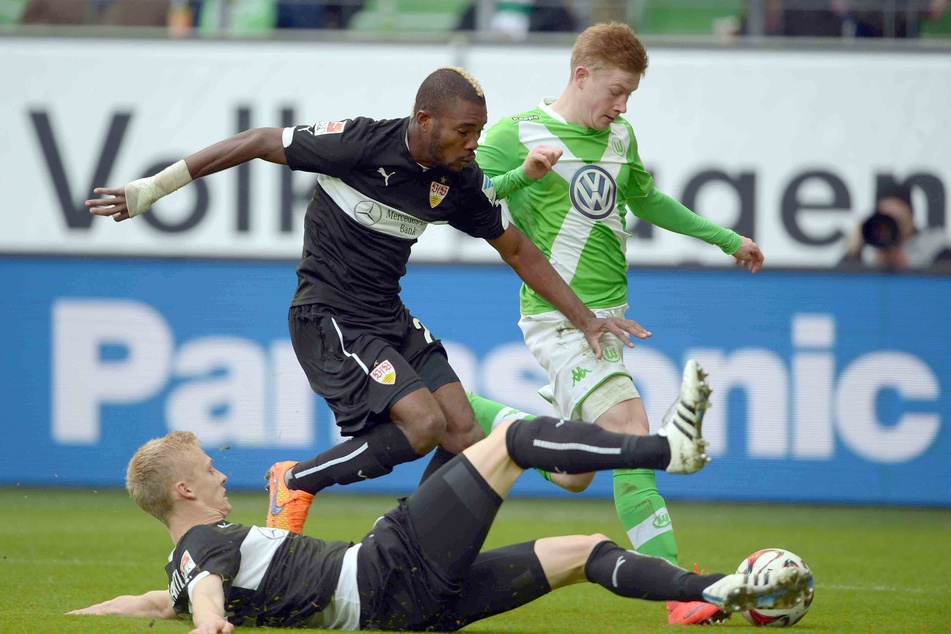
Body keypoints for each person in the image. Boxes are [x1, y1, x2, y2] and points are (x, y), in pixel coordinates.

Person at [85, 66, 648, 537]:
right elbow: (258, 141)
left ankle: (406, 544)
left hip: (386, 315)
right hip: (328, 315)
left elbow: (520, 251)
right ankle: (297, 480)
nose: (474, 143)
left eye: (478, 131)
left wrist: (586, 320)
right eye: (464, 131)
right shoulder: (358, 143)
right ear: (424, 120)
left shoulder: (460, 182)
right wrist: (153, 188)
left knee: (464, 434)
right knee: (422, 423)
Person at [67, 360, 814, 632]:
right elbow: (199, 592)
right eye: (211, 469)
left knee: (584, 552)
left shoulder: (186, 565)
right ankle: (666, 451)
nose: (225, 477)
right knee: (509, 441)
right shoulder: (202, 550)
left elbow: (152, 602)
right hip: (382, 571)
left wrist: (76, 615)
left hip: (408, 614)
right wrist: (207, 624)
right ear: (188, 489)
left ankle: (717, 587)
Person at [466, 22, 765, 625]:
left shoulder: (620, 135)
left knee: (574, 472)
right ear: (582, 76)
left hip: (607, 321)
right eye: (616, 91)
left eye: (630, 96)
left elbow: (648, 200)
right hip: (558, 318)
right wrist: (523, 175)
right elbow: (458, 198)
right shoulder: (512, 134)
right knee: (633, 432)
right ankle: (680, 592)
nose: (623, 106)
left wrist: (725, 238)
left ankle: (489, 417)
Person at [840, 182, 951, 271]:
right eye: (887, 219)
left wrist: (908, 267)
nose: (892, 226)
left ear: (911, 216)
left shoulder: (933, 246)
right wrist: (853, 253)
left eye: (898, 219)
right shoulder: (869, 250)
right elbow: (838, 288)